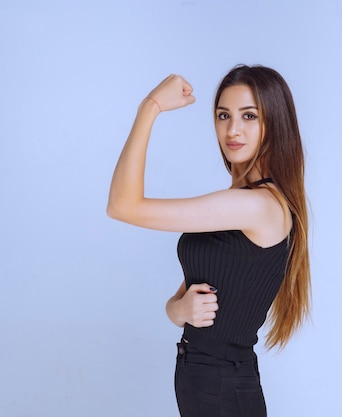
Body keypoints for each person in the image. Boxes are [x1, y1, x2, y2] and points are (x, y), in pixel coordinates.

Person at [107, 64, 311, 417]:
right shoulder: (239, 204)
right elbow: (185, 298)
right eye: (223, 115)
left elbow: (122, 206)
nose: (233, 129)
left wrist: (149, 107)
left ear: (275, 124)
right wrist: (178, 310)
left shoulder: (257, 206)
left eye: (249, 116)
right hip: (206, 383)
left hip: (223, 389)